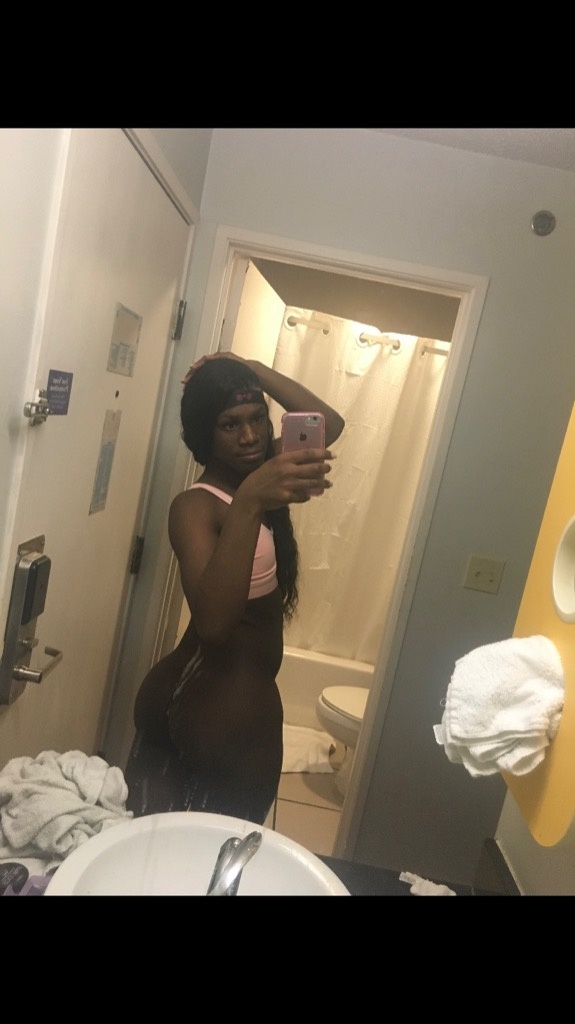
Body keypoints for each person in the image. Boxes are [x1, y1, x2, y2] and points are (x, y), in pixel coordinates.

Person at [124, 352, 345, 824]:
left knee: (183, 844)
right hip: (218, 708)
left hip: (223, 700)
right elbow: (214, 625)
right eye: (230, 424)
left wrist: (250, 369)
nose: (249, 436)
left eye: (257, 419)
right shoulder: (196, 506)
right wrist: (251, 500)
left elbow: (330, 423)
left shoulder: (264, 473)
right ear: (205, 434)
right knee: (202, 846)